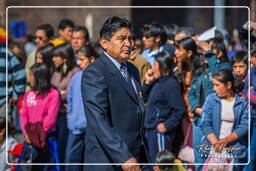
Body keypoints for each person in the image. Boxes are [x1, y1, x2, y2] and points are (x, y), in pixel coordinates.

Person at [81, 16, 146, 171]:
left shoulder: (133, 70)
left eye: (130, 39)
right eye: (121, 39)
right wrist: (123, 156)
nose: (128, 44)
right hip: (109, 160)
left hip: (135, 156)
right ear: (104, 43)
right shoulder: (95, 72)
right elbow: (98, 119)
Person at [200, 69, 248, 170]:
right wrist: (216, 144)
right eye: (214, 85)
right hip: (212, 149)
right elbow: (205, 123)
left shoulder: (242, 103)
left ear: (229, 85)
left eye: (217, 85)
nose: (214, 88)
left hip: (233, 151)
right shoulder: (211, 100)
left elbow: (244, 126)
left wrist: (226, 140)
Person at [143, 51, 186, 163]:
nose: (152, 69)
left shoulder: (171, 84)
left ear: (163, 66)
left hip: (160, 133)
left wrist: (167, 125)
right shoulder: (157, 82)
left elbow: (179, 109)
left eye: (155, 65)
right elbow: (142, 98)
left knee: (161, 165)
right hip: (150, 129)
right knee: (154, 165)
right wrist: (147, 82)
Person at [20, 63, 60, 169]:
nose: (28, 78)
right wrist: (26, 133)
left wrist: (36, 136)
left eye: (31, 75)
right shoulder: (29, 94)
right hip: (29, 138)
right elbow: (23, 114)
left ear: (39, 77)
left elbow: (50, 119)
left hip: (45, 139)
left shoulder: (53, 94)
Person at [65, 45, 97, 171]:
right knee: (71, 159)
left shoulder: (98, 77)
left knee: (89, 161)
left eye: (82, 59)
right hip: (75, 127)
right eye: (78, 60)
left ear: (92, 59)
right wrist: (70, 116)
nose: (79, 63)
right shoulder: (76, 77)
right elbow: (70, 98)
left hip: (91, 128)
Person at [50, 43, 79, 166]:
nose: (53, 59)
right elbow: (52, 91)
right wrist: (59, 93)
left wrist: (57, 94)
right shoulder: (56, 72)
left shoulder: (75, 71)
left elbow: (69, 94)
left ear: (65, 58)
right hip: (55, 114)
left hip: (68, 116)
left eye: (56, 56)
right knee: (56, 147)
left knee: (64, 148)